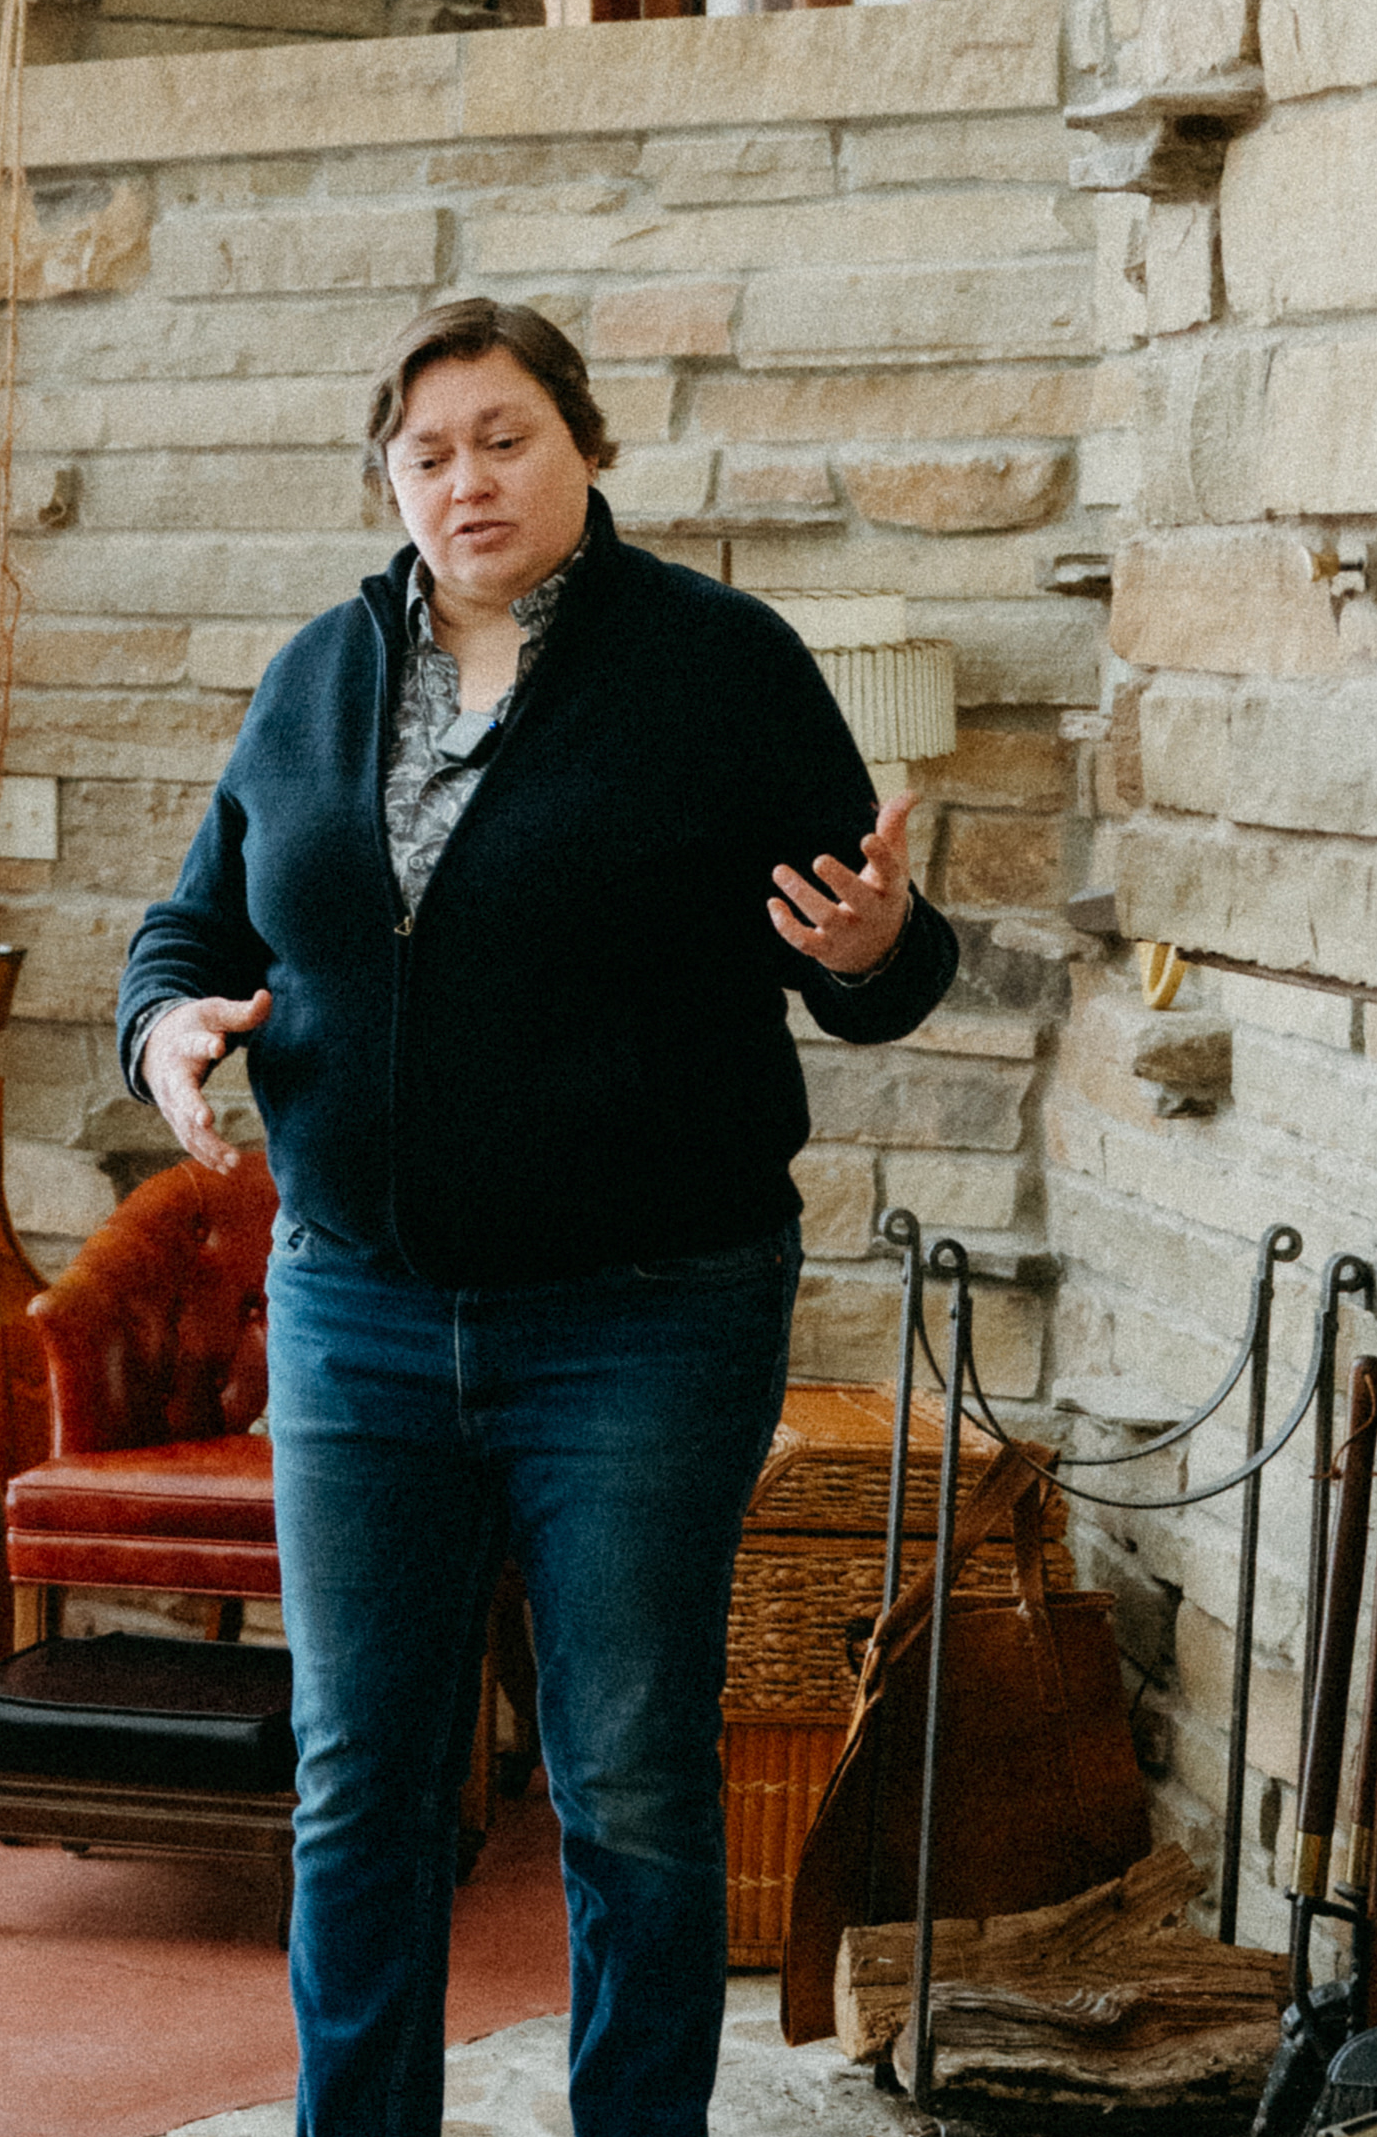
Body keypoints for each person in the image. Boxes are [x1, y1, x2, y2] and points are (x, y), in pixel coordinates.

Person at [118, 296, 960, 2137]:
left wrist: (876, 941)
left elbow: (875, 966)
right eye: (423, 452)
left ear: (582, 445)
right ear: (386, 481)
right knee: (357, 1782)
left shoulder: (716, 662)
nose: (462, 478)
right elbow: (192, 929)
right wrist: (167, 1025)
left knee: (631, 1782)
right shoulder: (313, 679)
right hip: (354, 1309)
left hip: (643, 1316)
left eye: (500, 435)